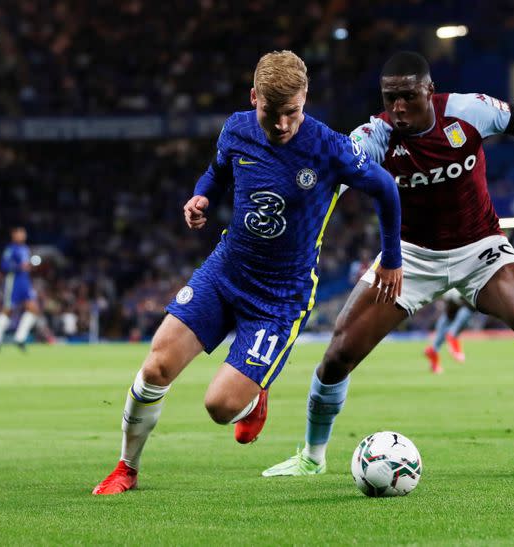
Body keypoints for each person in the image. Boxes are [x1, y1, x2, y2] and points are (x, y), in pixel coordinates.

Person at [263, 51, 514, 477]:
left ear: (429, 92)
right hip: (409, 259)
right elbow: (339, 173)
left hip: (480, 249)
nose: (397, 107)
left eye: (407, 97)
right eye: (389, 98)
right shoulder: (377, 135)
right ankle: (312, 456)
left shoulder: (469, 111)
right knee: (338, 355)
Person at [92, 50, 403, 495]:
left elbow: (386, 187)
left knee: (219, 407)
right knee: (155, 368)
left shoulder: (328, 146)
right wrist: (201, 196)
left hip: (278, 298)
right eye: (270, 113)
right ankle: (127, 468)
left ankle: (256, 393)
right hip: (225, 271)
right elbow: (217, 172)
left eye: (292, 113)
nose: (281, 125)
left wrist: (392, 257)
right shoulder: (236, 128)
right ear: (254, 97)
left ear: (305, 99)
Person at [0, 227, 41, 352]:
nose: (22, 235)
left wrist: (29, 266)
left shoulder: (25, 249)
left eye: (23, 233)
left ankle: (19, 338)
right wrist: (19, 266)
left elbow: (26, 265)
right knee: (8, 310)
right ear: (13, 235)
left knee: (34, 309)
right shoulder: (10, 249)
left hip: (25, 281)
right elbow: (4, 265)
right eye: (19, 233)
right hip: (13, 281)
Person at [424, 288, 473, 374]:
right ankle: (452, 337)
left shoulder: (459, 301)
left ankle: (434, 361)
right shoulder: (458, 298)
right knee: (437, 345)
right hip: (448, 319)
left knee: (437, 344)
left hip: (449, 319)